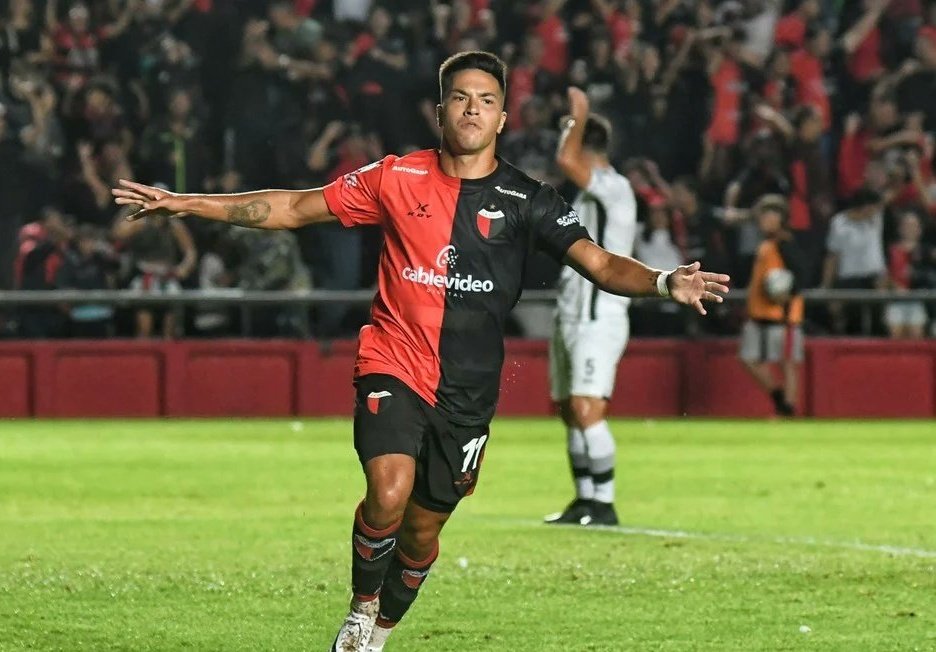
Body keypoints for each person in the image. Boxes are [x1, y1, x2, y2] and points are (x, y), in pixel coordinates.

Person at [111, 51, 729, 652]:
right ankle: (360, 611)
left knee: (423, 529)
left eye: (486, 101)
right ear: (440, 111)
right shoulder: (396, 177)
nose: (472, 110)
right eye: (460, 98)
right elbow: (295, 208)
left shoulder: (529, 199)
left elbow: (596, 261)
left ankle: (379, 634)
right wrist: (184, 203)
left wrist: (661, 281)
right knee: (388, 489)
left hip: (468, 387)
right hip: (393, 360)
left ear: (503, 118)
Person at [544, 87, 637, 527]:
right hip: (571, 312)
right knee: (568, 409)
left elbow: (566, 159)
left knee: (586, 407)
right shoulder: (587, 196)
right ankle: (583, 499)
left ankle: (605, 503)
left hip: (600, 315)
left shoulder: (614, 188)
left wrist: (576, 116)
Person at [739, 195, 806, 418]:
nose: (765, 220)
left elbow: (803, 275)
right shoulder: (766, 245)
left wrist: (786, 293)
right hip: (758, 312)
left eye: (771, 215)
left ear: (782, 219)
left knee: (787, 363)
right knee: (749, 359)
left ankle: (787, 408)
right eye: (764, 215)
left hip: (783, 315)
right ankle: (780, 400)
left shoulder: (785, 243)